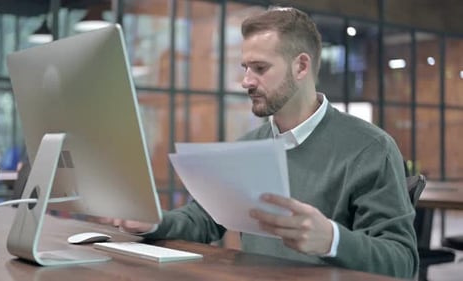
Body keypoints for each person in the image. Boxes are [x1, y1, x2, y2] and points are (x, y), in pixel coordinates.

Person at [112, 7, 418, 279]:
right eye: (245, 68)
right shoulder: (249, 145)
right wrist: (152, 223)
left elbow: (403, 263)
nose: (246, 81)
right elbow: (203, 220)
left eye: (260, 68)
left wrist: (332, 239)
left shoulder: (371, 148)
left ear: (301, 67)